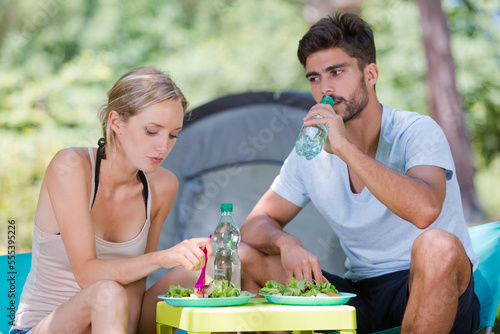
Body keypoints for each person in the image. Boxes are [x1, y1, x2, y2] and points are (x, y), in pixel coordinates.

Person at [240, 12, 480, 334]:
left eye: (337, 72)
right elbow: (254, 225)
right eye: (314, 78)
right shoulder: (310, 152)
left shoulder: (416, 131)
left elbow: (425, 210)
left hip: (431, 286)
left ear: (371, 73)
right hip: (361, 295)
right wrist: (286, 243)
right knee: (245, 256)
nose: (325, 87)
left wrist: (345, 149)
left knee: (438, 245)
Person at [10, 66, 214, 334]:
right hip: (45, 327)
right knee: (107, 292)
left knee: (214, 261)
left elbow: (136, 284)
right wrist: (164, 257)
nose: (163, 146)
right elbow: (86, 274)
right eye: (152, 131)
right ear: (116, 122)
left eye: (173, 134)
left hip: (115, 326)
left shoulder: (163, 186)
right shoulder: (71, 167)